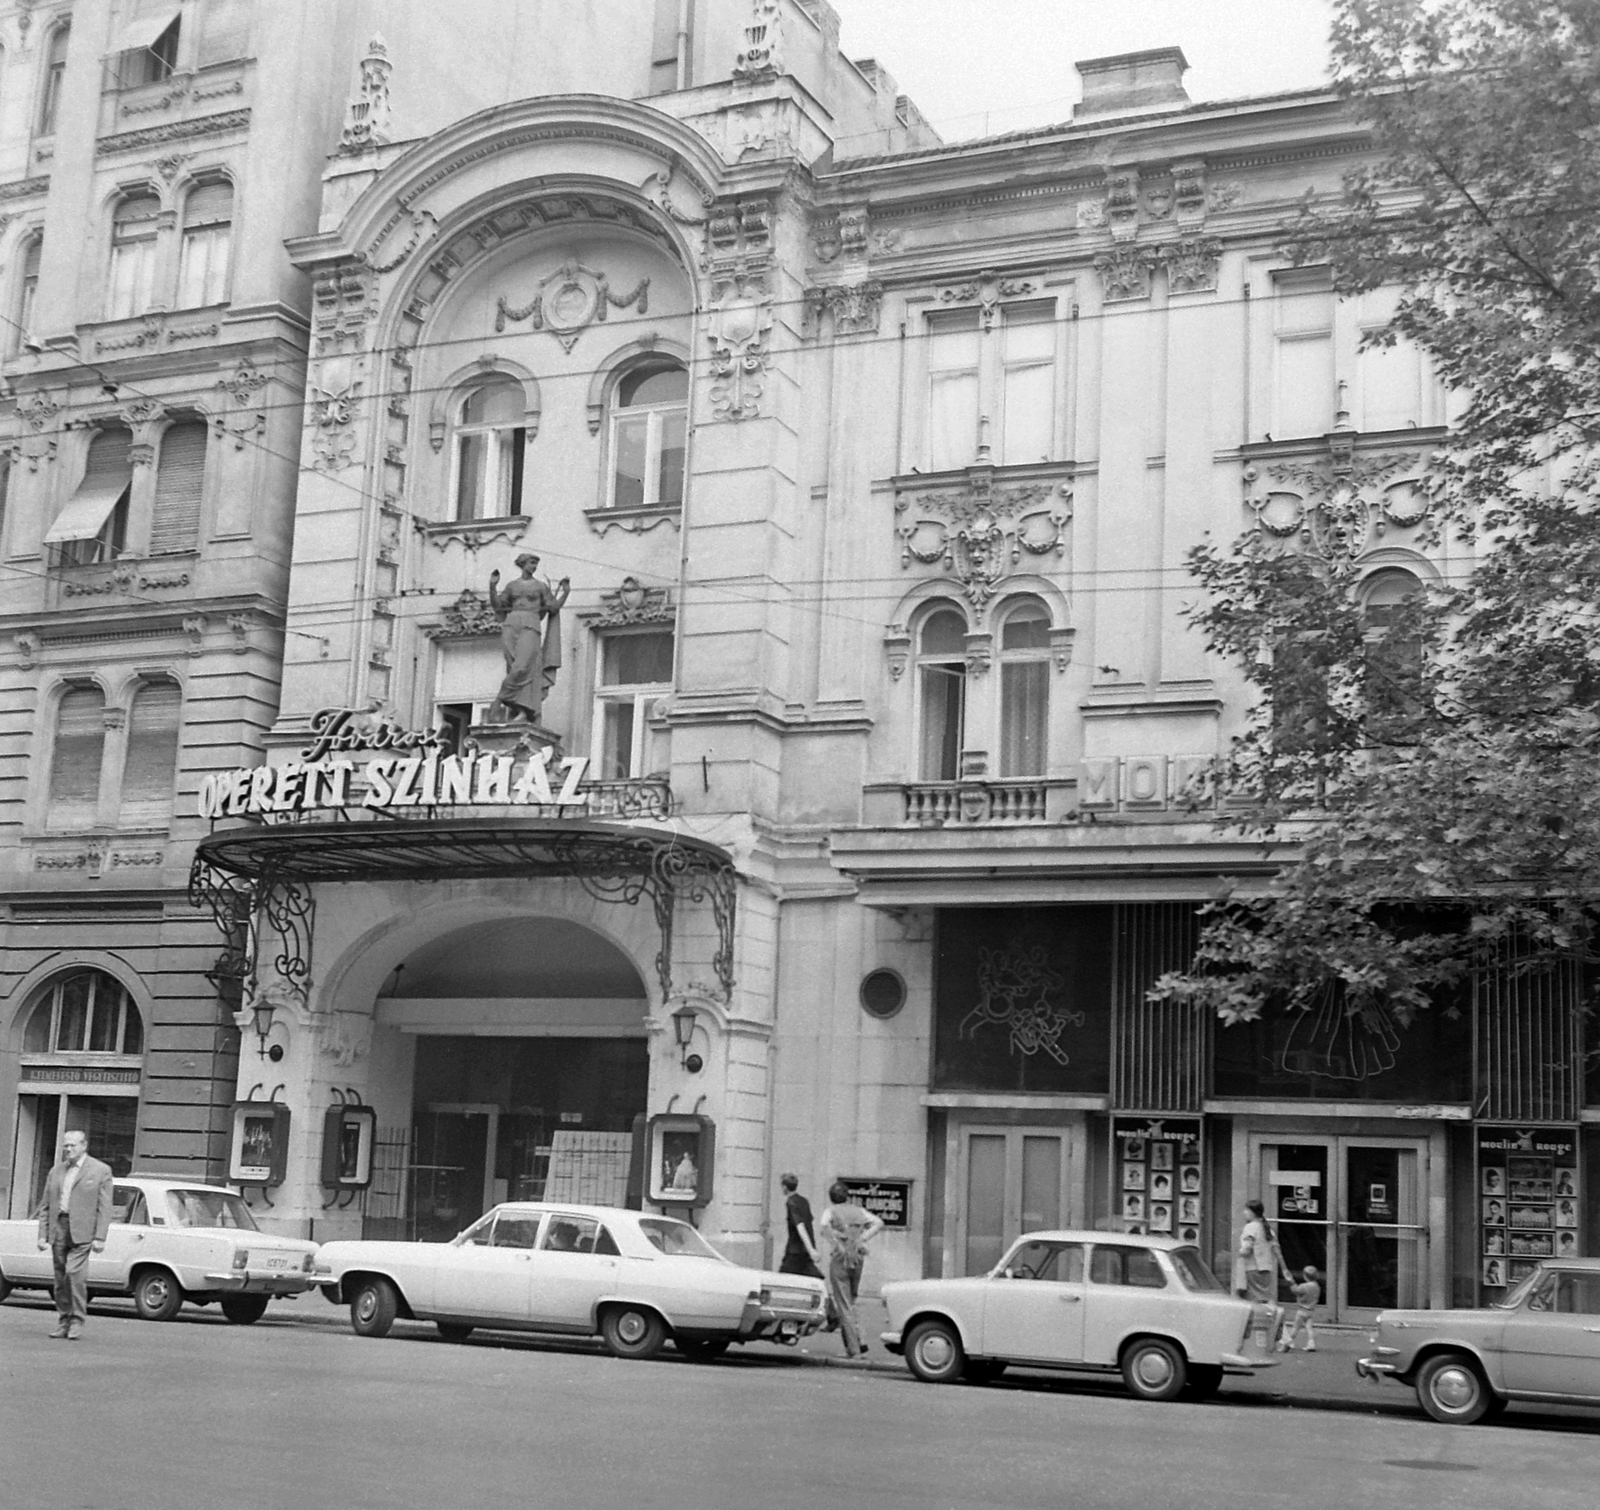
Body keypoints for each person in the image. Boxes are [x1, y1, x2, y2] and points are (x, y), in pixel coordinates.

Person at [35, 1129, 114, 1340]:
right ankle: (64, 1320)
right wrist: (42, 1234)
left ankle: (77, 1320)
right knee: (60, 1278)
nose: (68, 1149)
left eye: (73, 1145)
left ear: (84, 1145)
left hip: (84, 1231)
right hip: (59, 1226)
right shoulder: (56, 1171)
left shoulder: (100, 1171)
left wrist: (100, 1237)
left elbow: (105, 1207)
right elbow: (46, 1205)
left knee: (74, 1274)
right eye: (66, 1146)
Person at [487, 553, 569, 724]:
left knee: (523, 667)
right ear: (523, 564)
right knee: (513, 668)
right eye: (532, 563)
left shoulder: (540, 586)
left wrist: (565, 592)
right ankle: (521, 711)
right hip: (511, 625)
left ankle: (498, 700)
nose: (534, 567)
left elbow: (553, 608)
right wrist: (492, 587)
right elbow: (498, 607)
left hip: (531, 625)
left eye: (536, 564)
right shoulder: (511, 586)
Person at [818, 1182, 884, 1360]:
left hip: (840, 1259)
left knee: (843, 1304)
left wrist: (836, 1242)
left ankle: (854, 1349)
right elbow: (878, 1223)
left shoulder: (830, 1211)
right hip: (858, 1258)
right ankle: (859, 1340)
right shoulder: (858, 1211)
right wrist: (862, 1239)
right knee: (852, 1300)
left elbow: (823, 1227)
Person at [1238, 1199, 1290, 1346]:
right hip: (1266, 1269)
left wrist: (1240, 1252)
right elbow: (1277, 1250)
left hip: (1253, 1268)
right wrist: (1284, 1268)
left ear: (1252, 1212)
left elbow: (1246, 1249)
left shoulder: (1250, 1228)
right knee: (1264, 1300)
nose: (1244, 1213)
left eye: (1246, 1210)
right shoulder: (1267, 1229)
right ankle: (1280, 1335)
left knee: (1257, 1302)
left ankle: (1282, 1336)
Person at [777, 1173, 822, 1280]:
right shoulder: (804, 1201)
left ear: (784, 1187)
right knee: (810, 1275)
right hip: (804, 1249)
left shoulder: (791, 1202)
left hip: (795, 1249)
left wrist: (811, 1249)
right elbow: (808, 1222)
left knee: (783, 1279)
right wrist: (810, 1248)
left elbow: (800, 1225)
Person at [1277, 1265, 1322, 1353]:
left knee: (1295, 1328)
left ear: (1305, 1276)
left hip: (1302, 1310)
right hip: (1311, 1310)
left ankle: (1287, 1344)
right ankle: (1311, 1343)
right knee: (1309, 1327)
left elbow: (1295, 1290)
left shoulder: (1304, 1286)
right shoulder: (1316, 1286)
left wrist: (1291, 1281)